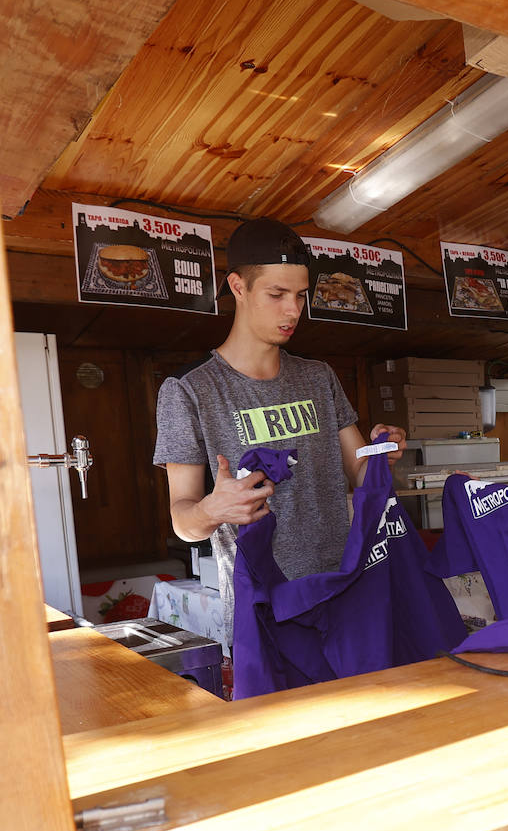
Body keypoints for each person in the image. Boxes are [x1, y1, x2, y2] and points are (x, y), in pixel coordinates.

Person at [153, 218, 406, 640]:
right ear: (238, 287)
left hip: (343, 587)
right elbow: (183, 520)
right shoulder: (189, 390)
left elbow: (359, 470)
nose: (293, 310)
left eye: (301, 296)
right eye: (277, 294)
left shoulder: (319, 377)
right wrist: (213, 509)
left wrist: (381, 452)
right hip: (264, 609)